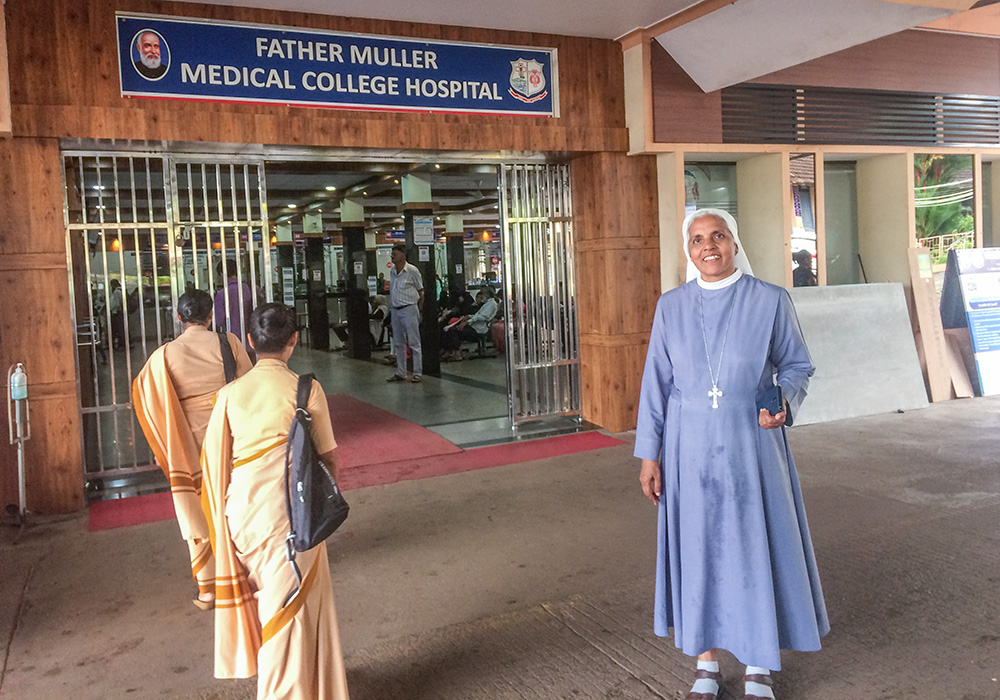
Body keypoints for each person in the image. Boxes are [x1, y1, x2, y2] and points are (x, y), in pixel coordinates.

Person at [635, 208, 828, 700]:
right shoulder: (671, 306)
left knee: (753, 547)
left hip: (752, 448)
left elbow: (797, 364)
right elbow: (656, 384)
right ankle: (705, 662)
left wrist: (781, 399)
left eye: (718, 235)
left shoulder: (769, 300)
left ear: (735, 243)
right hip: (688, 451)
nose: (708, 246)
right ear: (689, 250)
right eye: (697, 239)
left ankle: (759, 664)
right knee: (699, 551)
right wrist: (649, 455)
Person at [200, 303, 349, 699]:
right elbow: (328, 458)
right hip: (294, 519)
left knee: (274, 607)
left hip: (244, 517)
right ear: (294, 341)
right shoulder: (306, 389)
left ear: (250, 342)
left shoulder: (229, 395)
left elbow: (215, 465)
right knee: (289, 618)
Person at [132, 290, 252, 610]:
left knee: (198, 515)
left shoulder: (164, 356)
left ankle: (209, 590)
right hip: (230, 439)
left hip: (190, 448)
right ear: (211, 315)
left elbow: (144, 395)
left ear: (178, 318)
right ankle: (245, 575)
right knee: (236, 506)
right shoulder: (229, 343)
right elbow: (249, 385)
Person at [387, 244, 424, 383]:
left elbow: (421, 291)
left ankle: (417, 372)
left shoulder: (412, 271)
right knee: (398, 343)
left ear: (403, 256)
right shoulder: (392, 271)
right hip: (396, 309)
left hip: (409, 308)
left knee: (414, 342)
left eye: (394, 254)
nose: (392, 256)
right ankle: (401, 372)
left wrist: (419, 310)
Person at [214, 261, 261, 349]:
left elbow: (219, 320)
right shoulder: (253, 289)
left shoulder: (222, 294)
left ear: (221, 274)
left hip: (232, 341)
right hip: (254, 339)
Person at [441, 288, 498, 361]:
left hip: (478, 329)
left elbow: (482, 316)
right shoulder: (487, 304)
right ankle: (450, 350)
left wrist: (467, 322)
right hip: (474, 326)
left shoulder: (491, 304)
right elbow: (477, 315)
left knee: (453, 331)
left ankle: (457, 353)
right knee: (448, 329)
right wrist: (468, 316)